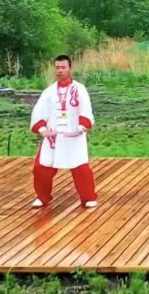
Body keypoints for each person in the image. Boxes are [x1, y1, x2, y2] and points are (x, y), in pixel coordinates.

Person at [30, 55, 98, 208]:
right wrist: (42, 129)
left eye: (63, 67)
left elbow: (85, 110)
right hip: (53, 136)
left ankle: (88, 197)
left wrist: (81, 127)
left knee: (80, 167)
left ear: (69, 68)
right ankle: (42, 197)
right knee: (41, 167)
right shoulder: (49, 92)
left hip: (73, 135)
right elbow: (39, 112)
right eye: (57, 68)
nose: (60, 70)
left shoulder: (79, 89)